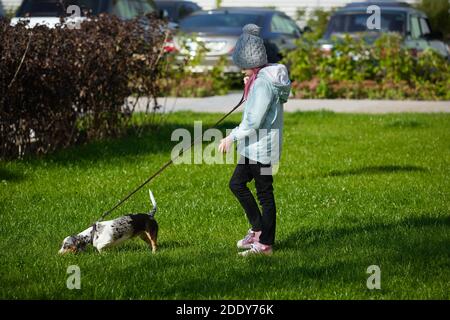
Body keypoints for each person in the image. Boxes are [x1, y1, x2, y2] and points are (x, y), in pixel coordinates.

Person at [218, 24, 291, 256]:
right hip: (252, 148)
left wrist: (231, 137)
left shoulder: (262, 84)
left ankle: (265, 244)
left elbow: (254, 121)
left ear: (251, 62)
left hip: (263, 149)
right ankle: (258, 229)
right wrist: (249, 86)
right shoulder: (259, 79)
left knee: (265, 194)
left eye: (243, 67)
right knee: (236, 184)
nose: (241, 71)